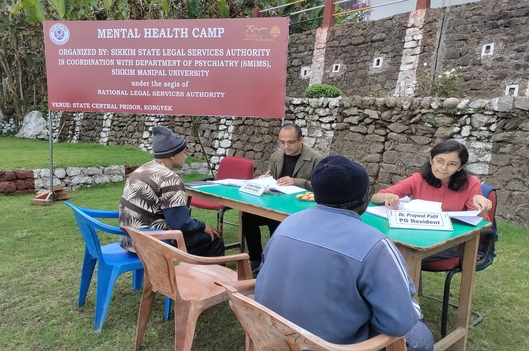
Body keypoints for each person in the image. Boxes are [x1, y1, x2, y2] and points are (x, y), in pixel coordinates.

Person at [255, 156, 434, 351]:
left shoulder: (287, 224)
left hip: (275, 335)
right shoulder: (376, 244)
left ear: (316, 193)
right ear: (365, 198)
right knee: (420, 337)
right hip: (330, 346)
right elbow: (399, 322)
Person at [371, 139, 492, 262]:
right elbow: (375, 198)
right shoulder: (418, 179)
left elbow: (481, 223)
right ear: (431, 160)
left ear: (460, 166)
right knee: (389, 250)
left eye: (452, 164)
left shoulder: (471, 183)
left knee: (404, 255)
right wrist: (387, 197)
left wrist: (480, 207)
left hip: (455, 243)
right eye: (440, 161)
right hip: (419, 238)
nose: (443, 168)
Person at [119, 125, 224, 257]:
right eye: (184, 152)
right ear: (173, 155)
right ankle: (209, 277)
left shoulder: (141, 170)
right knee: (214, 240)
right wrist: (203, 226)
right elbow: (180, 224)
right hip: (151, 242)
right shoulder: (170, 179)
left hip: (130, 238)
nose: (186, 156)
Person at [243, 123, 322, 272]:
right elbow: (273, 177)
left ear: (301, 140)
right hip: (275, 202)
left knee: (276, 222)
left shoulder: (315, 159)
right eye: (282, 142)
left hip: (299, 209)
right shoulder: (276, 156)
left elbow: (322, 187)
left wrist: (297, 182)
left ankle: (275, 263)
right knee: (248, 217)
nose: (286, 146)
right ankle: (255, 259)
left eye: (290, 142)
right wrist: (265, 180)